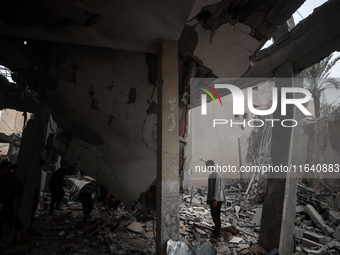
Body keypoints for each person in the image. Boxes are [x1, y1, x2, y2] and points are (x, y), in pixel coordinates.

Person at [0, 161, 28, 243]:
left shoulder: (12, 178)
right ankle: (24, 236)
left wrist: (15, 203)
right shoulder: (2, 176)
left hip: (8, 204)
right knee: (13, 220)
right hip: (4, 203)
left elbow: (19, 191)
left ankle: (24, 236)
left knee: (13, 220)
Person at [206, 159, 225, 242]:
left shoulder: (216, 174)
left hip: (217, 199)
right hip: (213, 199)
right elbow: (210, 189)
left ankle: (216, 235)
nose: (207, 168)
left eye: (207, 166)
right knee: (214, 216)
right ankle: (216, 231)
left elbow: (217, 188)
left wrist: (214, 199)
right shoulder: (211, 175)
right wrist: (209, 199)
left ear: (211, 165)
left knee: (216, 217)